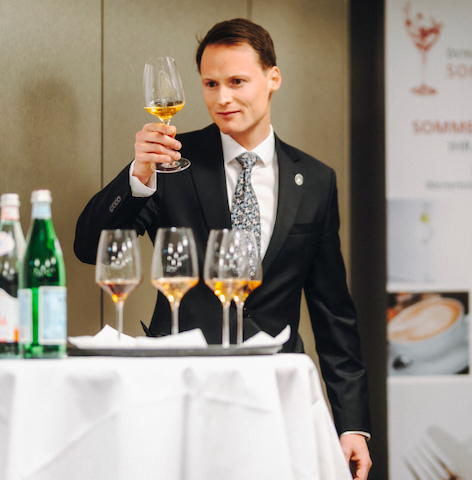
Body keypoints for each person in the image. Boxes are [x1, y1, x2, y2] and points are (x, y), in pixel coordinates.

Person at [74, 18, 372, 479]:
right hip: (178, 387)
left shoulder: (315, 180)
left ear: (273, 78)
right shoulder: (171, 161)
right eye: (210, 84)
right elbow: (89, 247)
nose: (222, 98)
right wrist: (138, 175)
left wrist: (352, 425)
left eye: (237, 82)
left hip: (274, 393)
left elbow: (333, 311)